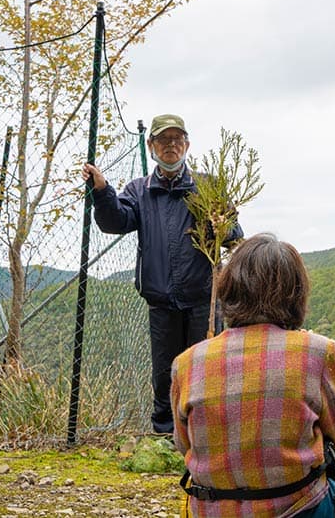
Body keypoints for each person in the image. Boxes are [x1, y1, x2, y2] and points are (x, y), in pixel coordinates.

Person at [170, 233, 335, 517]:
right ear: (296, 294)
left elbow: (184, 444)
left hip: (214, 510)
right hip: (298, 510)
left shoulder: (187, 362)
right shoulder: (316, 351)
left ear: (229, 289)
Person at [82, 114, 243, 434]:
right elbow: (116, 222)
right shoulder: (140, 191)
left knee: (206, 370)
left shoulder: (208, 187)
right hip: (161, 301)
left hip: (204, 301)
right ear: (151, 146)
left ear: (187, 145)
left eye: (177, 140)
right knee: (165, 374)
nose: (171, 146)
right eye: (163, 140)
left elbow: (235, 237)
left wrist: (220, 224)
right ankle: (164, 435)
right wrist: (102, 191)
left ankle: (206, 436)